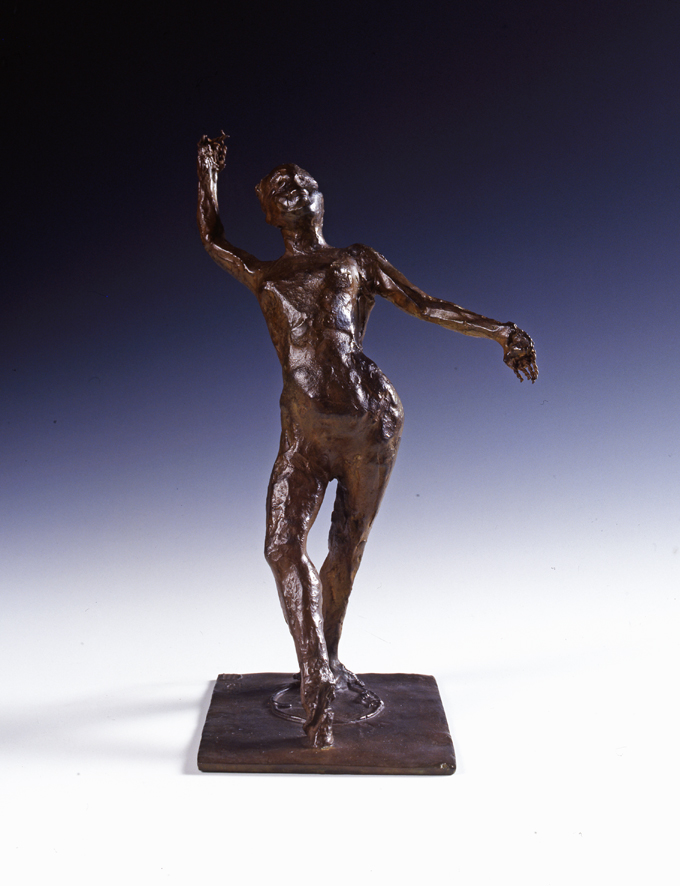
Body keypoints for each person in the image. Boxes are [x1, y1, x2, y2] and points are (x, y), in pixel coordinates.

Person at [197, 133, 538, 748]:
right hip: (303, 434)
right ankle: (315, 669)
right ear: (269, 213)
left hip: (369, 423)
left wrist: (502, 332)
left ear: (321, 198)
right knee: (281, 545)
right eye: (281, 188)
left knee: (345, 544)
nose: (298, 189)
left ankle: (326, 664)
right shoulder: (265, 274)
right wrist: (207, 176)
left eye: (305, 181)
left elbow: (423, 304)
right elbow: (213, 240)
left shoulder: (354, 261)